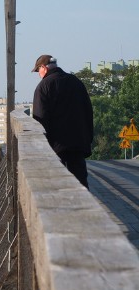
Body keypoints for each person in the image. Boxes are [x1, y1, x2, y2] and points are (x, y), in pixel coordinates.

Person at [32, 54, 94, 189]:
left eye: (38, 71)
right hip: (78, 143)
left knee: (57, 184)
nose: (39, 74)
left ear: (44, 67)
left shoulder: (43, 86)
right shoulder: (76, 82)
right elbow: (88, 112)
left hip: (55, 146)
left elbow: (39, 119)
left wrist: (42, 147)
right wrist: (88, 138)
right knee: (81, 183)